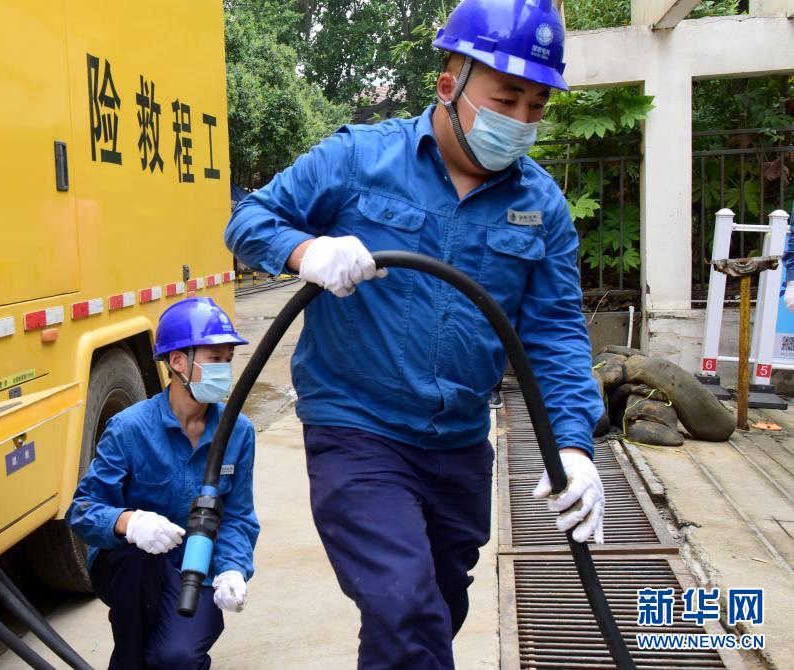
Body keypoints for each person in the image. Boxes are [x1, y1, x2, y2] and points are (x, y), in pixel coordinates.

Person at [224, 0, 605, 667]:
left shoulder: (541, 206)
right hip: (358, 429)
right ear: (449, 84)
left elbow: (555, 334)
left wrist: (572, 445)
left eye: (537, 106)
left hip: (459, 443)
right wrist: (306, 251)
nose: (520, 121)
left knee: (433, 612)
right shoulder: (358, 159)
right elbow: (248, 220)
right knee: (405, 605)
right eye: (506, 99)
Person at [67, 297, 259, 670]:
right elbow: (82, 509)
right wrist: (129, 522)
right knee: (137, 565)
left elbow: (237, 515)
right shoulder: (129, 429)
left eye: (227, 359)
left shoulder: (238, 432)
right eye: (214, 359)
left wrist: (233, 568)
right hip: (133, 571)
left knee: (177, 657)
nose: (223, 370)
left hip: (197, 568)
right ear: (178, 362)